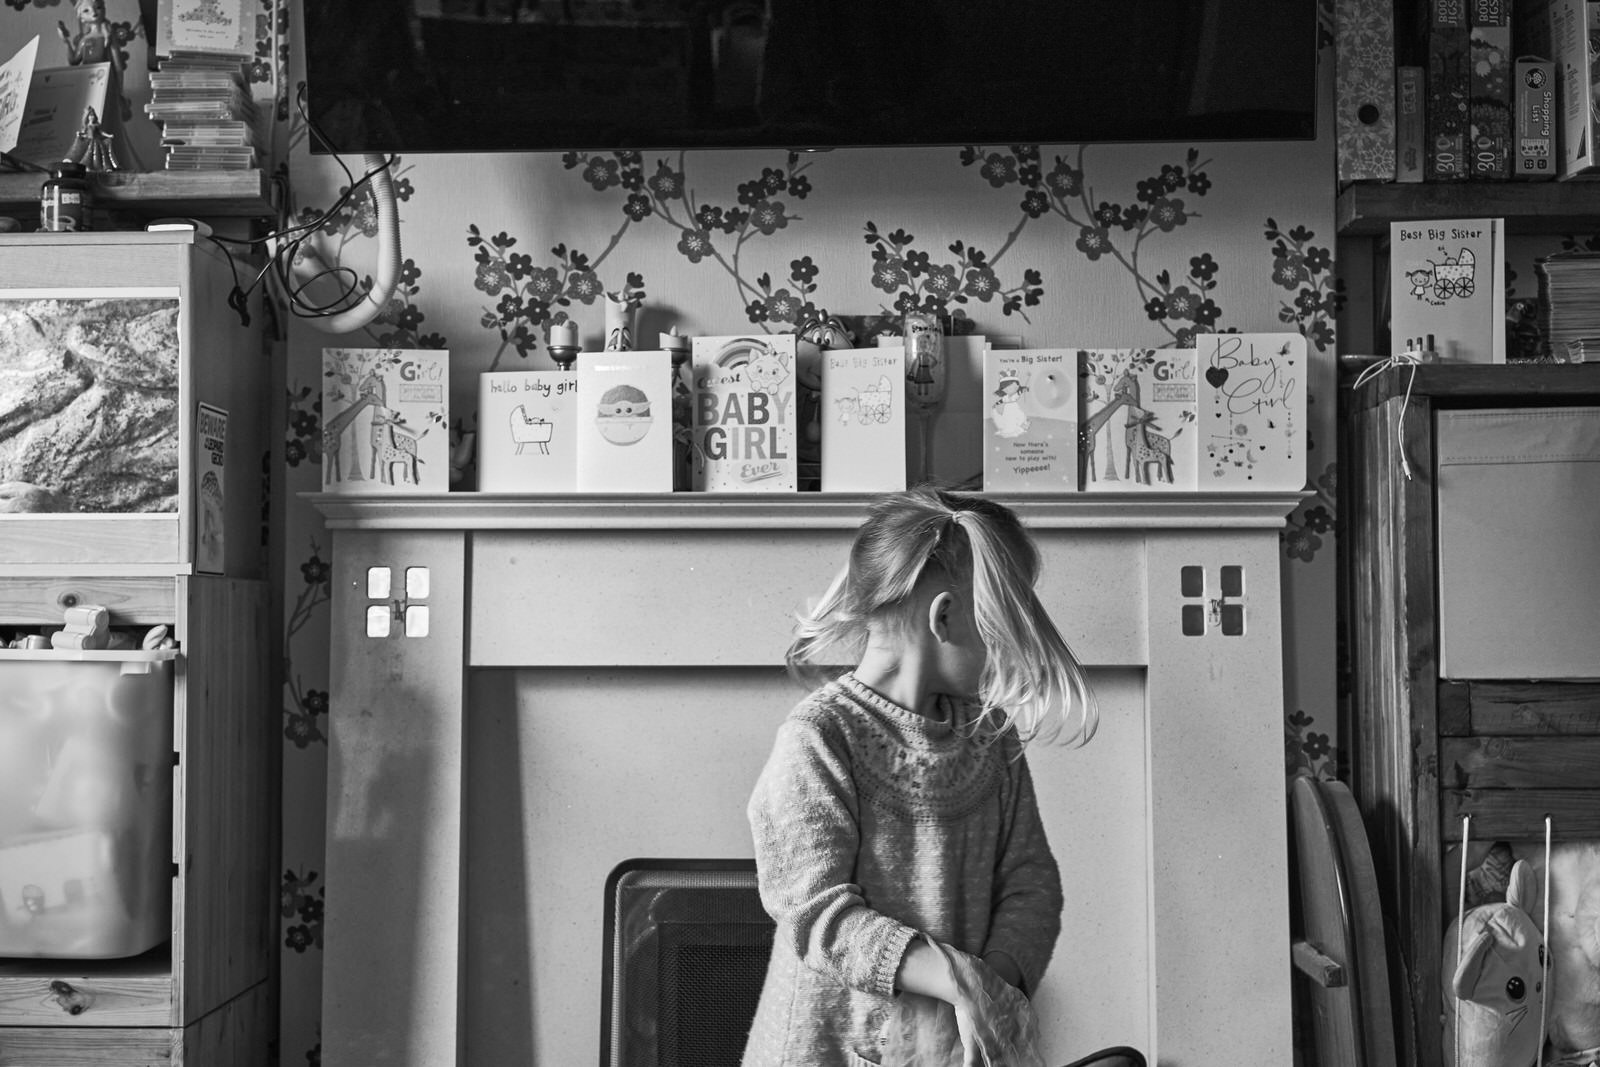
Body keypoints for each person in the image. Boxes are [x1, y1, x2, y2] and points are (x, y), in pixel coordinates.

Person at [742, 486, 1144, 1067]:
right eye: (1000, 629)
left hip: (958, 1050)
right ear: (946, 616)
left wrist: (988, 993)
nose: (1007, 655)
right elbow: (818, 915)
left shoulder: (991, 737)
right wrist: (955, 980)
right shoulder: (820, 738)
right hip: (827, 1051)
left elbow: (1032, 884)